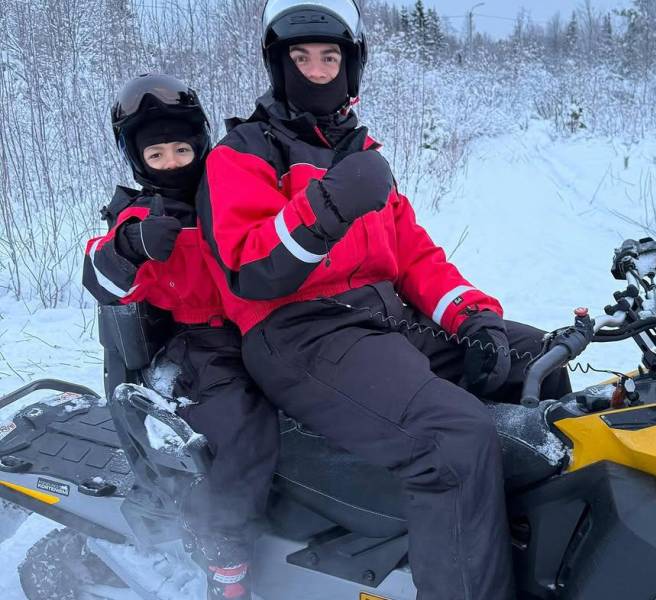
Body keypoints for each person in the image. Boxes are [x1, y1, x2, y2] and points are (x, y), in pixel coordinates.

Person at [196, 1, 573, 598]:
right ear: (277, 65)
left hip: (381, 321)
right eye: (301, 59)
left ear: (352, 66)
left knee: (534, 357)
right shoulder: (241, 154)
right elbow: (250, 268)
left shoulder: (360, 156)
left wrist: (474, 317)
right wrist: (328, 206)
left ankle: (541, 551)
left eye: (330, 58)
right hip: (299, 331)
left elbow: (416, 258)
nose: (317, 72)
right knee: (452, 441)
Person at [82, 74, 279, 600]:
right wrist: (129, 244)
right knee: (244, 425)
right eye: (158, 154)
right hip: (196, 344)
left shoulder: (230, 194)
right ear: (139, 161)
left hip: (259, 325)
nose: (172, 161)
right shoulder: (142, 216)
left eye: (182, 148)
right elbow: (100, 279)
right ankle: (225, 550)